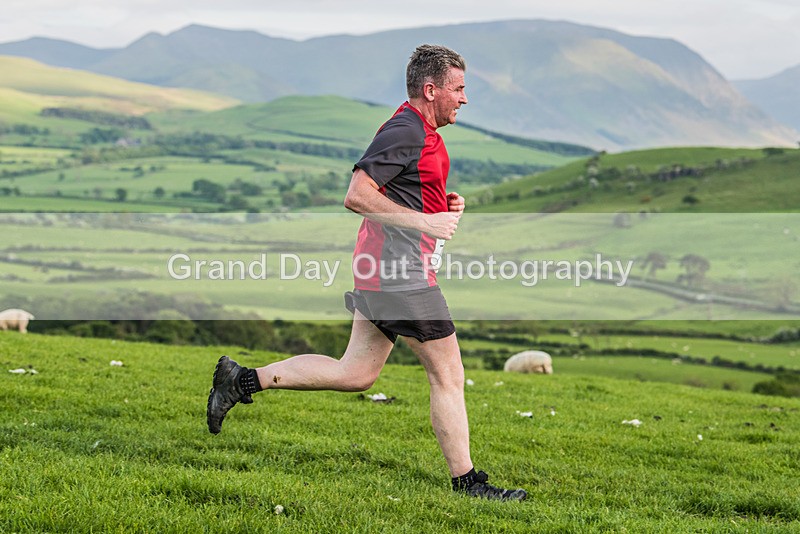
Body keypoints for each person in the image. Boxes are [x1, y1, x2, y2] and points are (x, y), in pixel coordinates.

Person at [207, 44, 527, 502]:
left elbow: (403, 190)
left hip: (383, 272)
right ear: (430, 89)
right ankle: (469, 484)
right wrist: (426, 223)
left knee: (355, 373)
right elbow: (357, 194)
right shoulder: (404, 130)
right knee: (448, 375)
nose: (464, 98)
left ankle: (238, 380)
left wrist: (442, 204)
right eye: (458, 89)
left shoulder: (420, 131)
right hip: (400, 275)